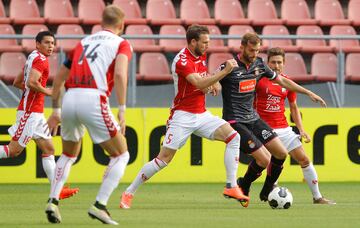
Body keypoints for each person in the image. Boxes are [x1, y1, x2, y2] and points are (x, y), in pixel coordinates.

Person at [120, 24, 249, 209]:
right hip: (182, 116)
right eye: (204, 42)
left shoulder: (200, 55)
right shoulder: (181, 60)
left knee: (233, 136)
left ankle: (231, 186)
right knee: (163, 159)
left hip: (201, 114)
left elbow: (202, 83)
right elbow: (197, 82)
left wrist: (212, 85)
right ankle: (128, 192)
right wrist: (222, 73)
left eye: (208, 42)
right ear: (193, 42)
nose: (207, 46)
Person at [44, 5, 132, 225]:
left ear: (100, 23)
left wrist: (55, 110)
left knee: (68, 154)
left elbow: (59, 77)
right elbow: (120, 74)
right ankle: (100, 205)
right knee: (121, 155)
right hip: (94, 98)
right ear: (121, 25)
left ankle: (53, 200)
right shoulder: (121, 43)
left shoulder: (82, 43)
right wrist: (122, 108)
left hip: (70, 98)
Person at [218, 33, 327, 206]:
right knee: (264, 159)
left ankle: (261, 188)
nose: (254, 54)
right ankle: (244, 185)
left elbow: (283, 82)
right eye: (251, 50)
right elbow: (216, 80)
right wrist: (214, 85)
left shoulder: (259, 65)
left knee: (281, 153)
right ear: (242, 47)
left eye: (257, 50)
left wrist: (308, 93)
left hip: (254, 119)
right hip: (235, 120)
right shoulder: (229, 65)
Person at [0, 31, 79, 200]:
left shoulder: (32, 57)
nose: (51, 46)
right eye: (47, 42)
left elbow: (17, 82)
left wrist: (36, 93)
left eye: (53, 43)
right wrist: (48, 92)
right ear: (37, 44)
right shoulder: (41, 60)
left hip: (36, 113)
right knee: (13, 151)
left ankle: (56, 190)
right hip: (29, 112)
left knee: (49, 149)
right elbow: (31, 82)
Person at [255, 47, 335, 204]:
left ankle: (317, 197)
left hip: (284, 129)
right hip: (264, 129)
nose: (276, 66)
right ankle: (263, 188)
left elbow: (293, 107)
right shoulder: (258, 80)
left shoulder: (287, 82)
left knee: (304, 159)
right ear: (267, 63)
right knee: (267, 162)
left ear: (284, 63)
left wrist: (302, 129)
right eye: (273, 62)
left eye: (279, 62)